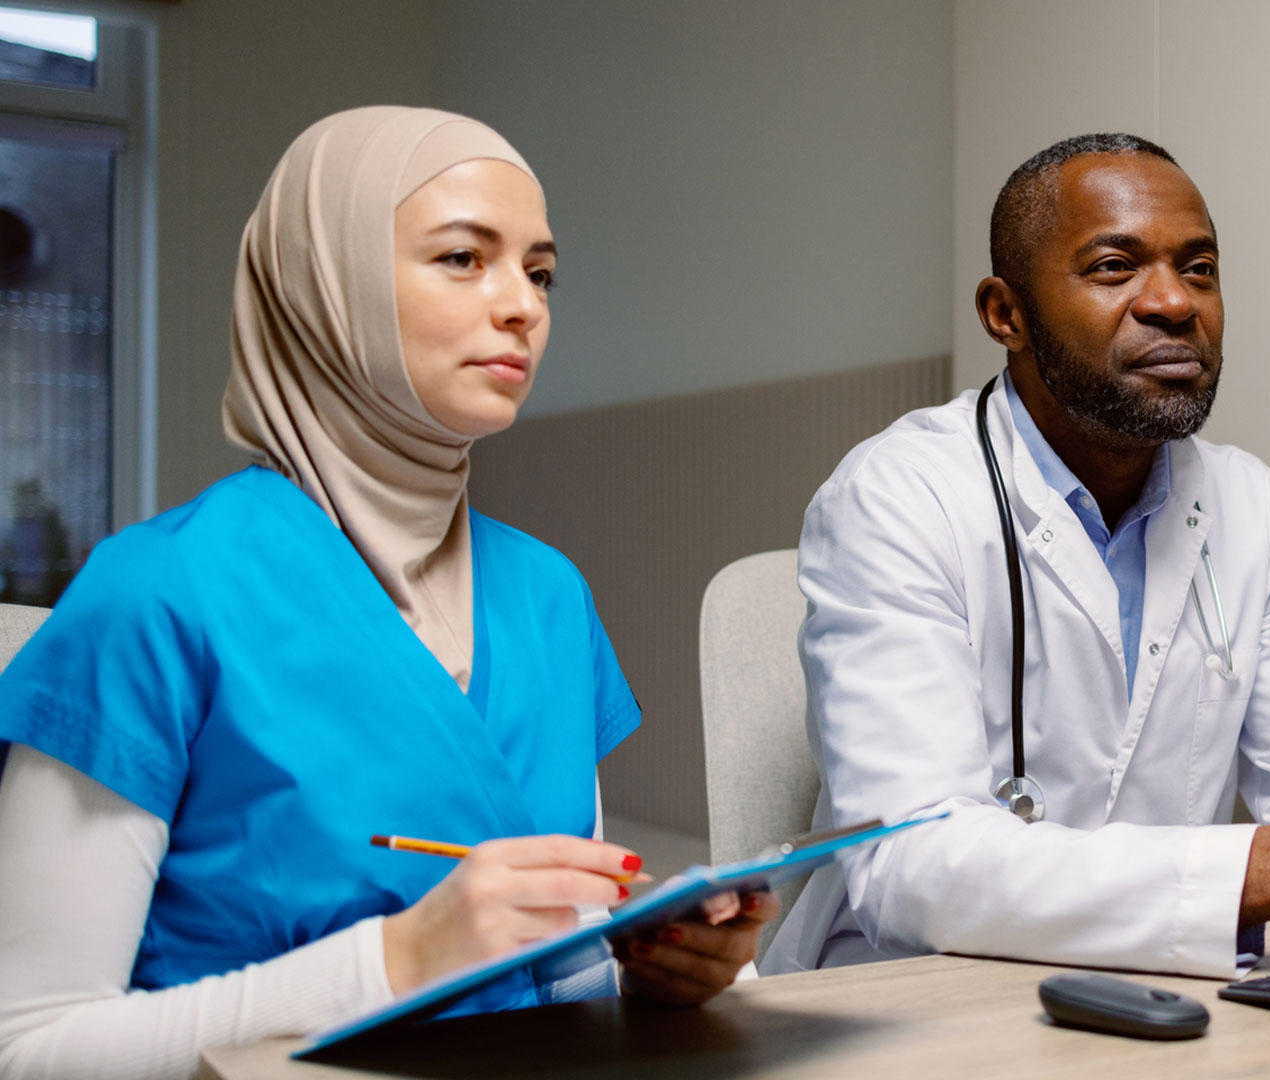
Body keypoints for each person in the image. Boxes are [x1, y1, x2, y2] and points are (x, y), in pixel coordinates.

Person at [0, 107, 773, 1080]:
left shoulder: (548, 595)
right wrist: (399, 960)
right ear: (328, 285)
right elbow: (28, 1048)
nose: (523, 306)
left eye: (540, 273)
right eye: (463, 258)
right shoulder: (154, 596)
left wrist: (652, 968)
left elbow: (557, 965)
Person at [763, 133, 1270, 977]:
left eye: (1198, 267)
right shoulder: (898, 495)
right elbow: (912, 869)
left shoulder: (1258, 509)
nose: (1173, 302)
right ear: (1005, 314)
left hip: (1167, 995)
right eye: (1113, 267)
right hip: (912, 998)